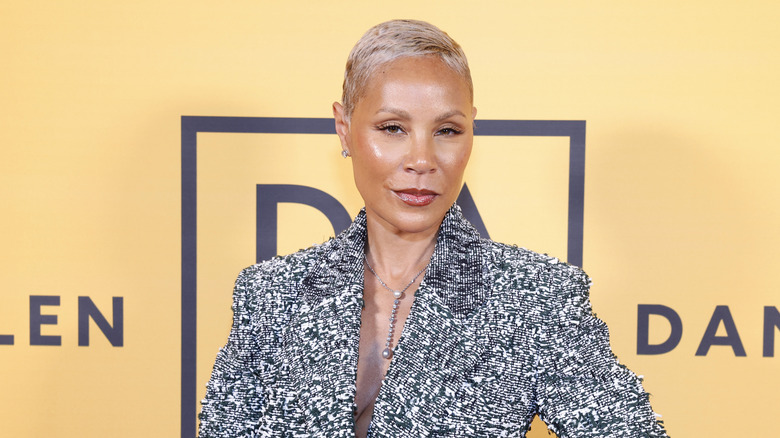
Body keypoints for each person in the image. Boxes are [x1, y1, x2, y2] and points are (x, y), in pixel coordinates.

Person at [198, 19, 669, 438]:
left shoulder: (535, 298)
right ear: (344, 128)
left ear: (471, 133)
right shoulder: (270, 295)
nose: (422, 161)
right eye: (392, 128)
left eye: (447, 130)